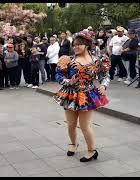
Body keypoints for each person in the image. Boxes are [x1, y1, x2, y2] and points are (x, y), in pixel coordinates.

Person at [54, 29, 111, 162]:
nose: (76, 47)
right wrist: (68, 81)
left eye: (79, 44)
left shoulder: (98, 60)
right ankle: (73, 144)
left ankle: (92, 150)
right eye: (74, 45)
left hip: (87, 95)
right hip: (70, 94)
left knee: (85, 126)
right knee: (71, 125)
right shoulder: (67, 59)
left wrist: (103, 85)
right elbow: (58, 75)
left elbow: (105, 76)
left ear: (87, 44)